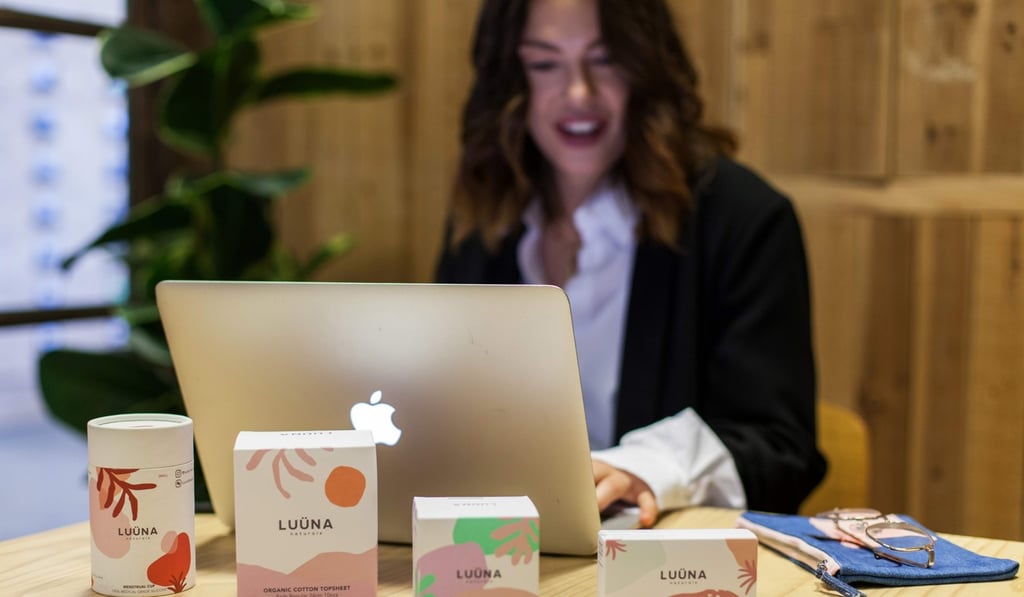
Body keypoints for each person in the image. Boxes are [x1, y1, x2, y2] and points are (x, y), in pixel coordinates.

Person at [435, 0, 826, 527]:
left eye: (605, 60)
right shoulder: (484, 223)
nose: (578, 93)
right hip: (511, 557)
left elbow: (780, 446)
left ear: (645, 69)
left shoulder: (742, 219)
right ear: (511, 79)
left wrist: (648, 469)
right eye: (545, 63)